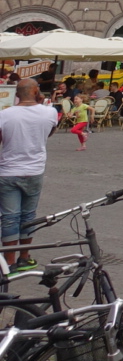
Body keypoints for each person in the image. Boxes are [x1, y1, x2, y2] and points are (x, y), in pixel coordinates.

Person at [0, 79, 58, 271]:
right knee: (28, 215)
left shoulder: (4, 115)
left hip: (8, 171)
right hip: (34, 171)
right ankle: (24, 257)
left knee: (10, 217)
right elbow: (49, 133)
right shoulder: (49, 112)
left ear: (16, 94)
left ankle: (9, 262)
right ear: (36, 92)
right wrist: (40, 102)